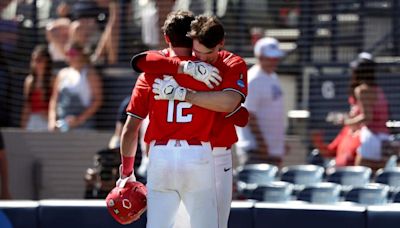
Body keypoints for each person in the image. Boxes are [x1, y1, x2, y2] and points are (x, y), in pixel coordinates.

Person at [132, 15, 249, 228]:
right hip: (187, 154)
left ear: (221, 44)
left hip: (217, 153)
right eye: (198, 52)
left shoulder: (232, 62)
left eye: (209, 53)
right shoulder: (185, 64)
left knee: (217, 224)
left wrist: (183, 94)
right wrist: (186, 68)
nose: (202, 59)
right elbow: (141, 61)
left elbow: (233, 107)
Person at [118, 11, 222, 228]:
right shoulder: (210, 68)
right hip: (198, 153)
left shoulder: (149, 72)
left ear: (166, 38)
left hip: (161, 156)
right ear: (194, 37)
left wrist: (127, 172)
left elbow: (130, 130)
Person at [236, 37, 285, 167]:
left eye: (276, 58)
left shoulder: (272, 77)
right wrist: (262, 145)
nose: (274, 61)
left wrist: (279, 144)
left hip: (270, 151)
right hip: (257, 152)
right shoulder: (253, 79)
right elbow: (248, 115)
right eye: (270, 58)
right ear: (260, 57)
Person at [343, 53, 389, 171]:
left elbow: (367, 117)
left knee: (361, 178)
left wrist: (348, 121)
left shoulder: (362, 90)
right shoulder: (378, 90)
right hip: (384, 139)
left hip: (371, 138)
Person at [48, 42, 103, 131]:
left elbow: (98, 100)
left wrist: (79, 120)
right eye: (67, 54)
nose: (69, 56)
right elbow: (54, 99)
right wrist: (52, 120)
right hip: (62, 125)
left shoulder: (90, 73)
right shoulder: (62, 74)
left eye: (72, 53)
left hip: (83, 126)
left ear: (81, 54)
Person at [21, 45, 54, 131]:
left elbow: (55, 102)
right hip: (32, 121)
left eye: (40, 60)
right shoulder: (29, 81)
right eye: (34, 60)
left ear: (47, 61)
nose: (36, 63)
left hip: (48, 121)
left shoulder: (53, 80)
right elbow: (27, 106)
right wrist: (23, 127)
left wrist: (51, 118)